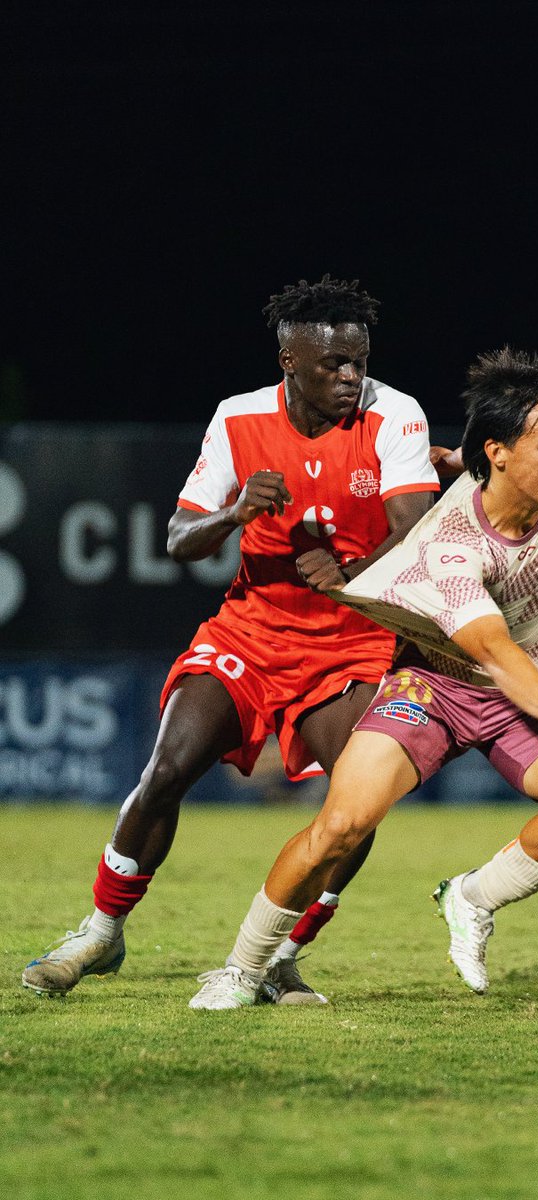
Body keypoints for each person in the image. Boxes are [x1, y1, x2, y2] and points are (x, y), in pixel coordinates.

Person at [22, 276, 439, 1003]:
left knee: (358, 800)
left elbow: (416, 532)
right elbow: (181, 537)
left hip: (354, 636)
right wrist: (236, 512)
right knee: (168, 767)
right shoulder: (237, 420)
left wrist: (346, 574)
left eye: (359, 362)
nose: (350, 378)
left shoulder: (395, 414)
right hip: (252, 628)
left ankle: (279, 954)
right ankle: (99, 932)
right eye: (331, 367)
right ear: (288, 363)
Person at [187, 347, 538, 1009]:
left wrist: (457, 460)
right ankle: (243, 970)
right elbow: (487, 645)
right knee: (342, 824)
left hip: (525, 685)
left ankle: (472, 897)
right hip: (434, 686)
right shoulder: (450, 542)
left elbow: (472, 472)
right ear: (500, 452)